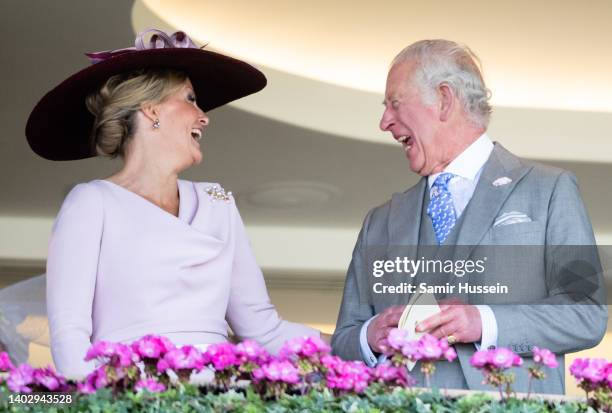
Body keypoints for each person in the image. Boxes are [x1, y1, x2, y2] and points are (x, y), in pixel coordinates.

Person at [24, 29, 320, 379]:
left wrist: (361, 343)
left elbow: (263, 329)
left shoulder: (218, 201)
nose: (204, 116)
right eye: (191, 98)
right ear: (151, 110)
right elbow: (71, 340)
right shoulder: (91, 203)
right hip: (133, 396)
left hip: (222, 396)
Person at [331, 39, 607, 393]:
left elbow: (586, 313)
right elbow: (343, 340)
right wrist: (370, 337)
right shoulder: (379, 221)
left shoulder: (551, 190)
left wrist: (485, 322)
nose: (384, 121)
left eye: (395, 104)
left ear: (444, 99)